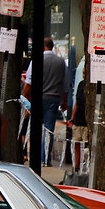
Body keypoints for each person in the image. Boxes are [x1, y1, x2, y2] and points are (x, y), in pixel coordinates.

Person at [22, 37, 69, 165]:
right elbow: (65, 84)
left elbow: (29, 82)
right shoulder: (60, 62)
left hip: (38, 97)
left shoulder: (36, 60)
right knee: (49, 129)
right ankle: (45, 157)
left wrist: (23, 97)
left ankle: (36, 156)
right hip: (53, 97)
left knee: (35, 127)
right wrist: (64, 101)